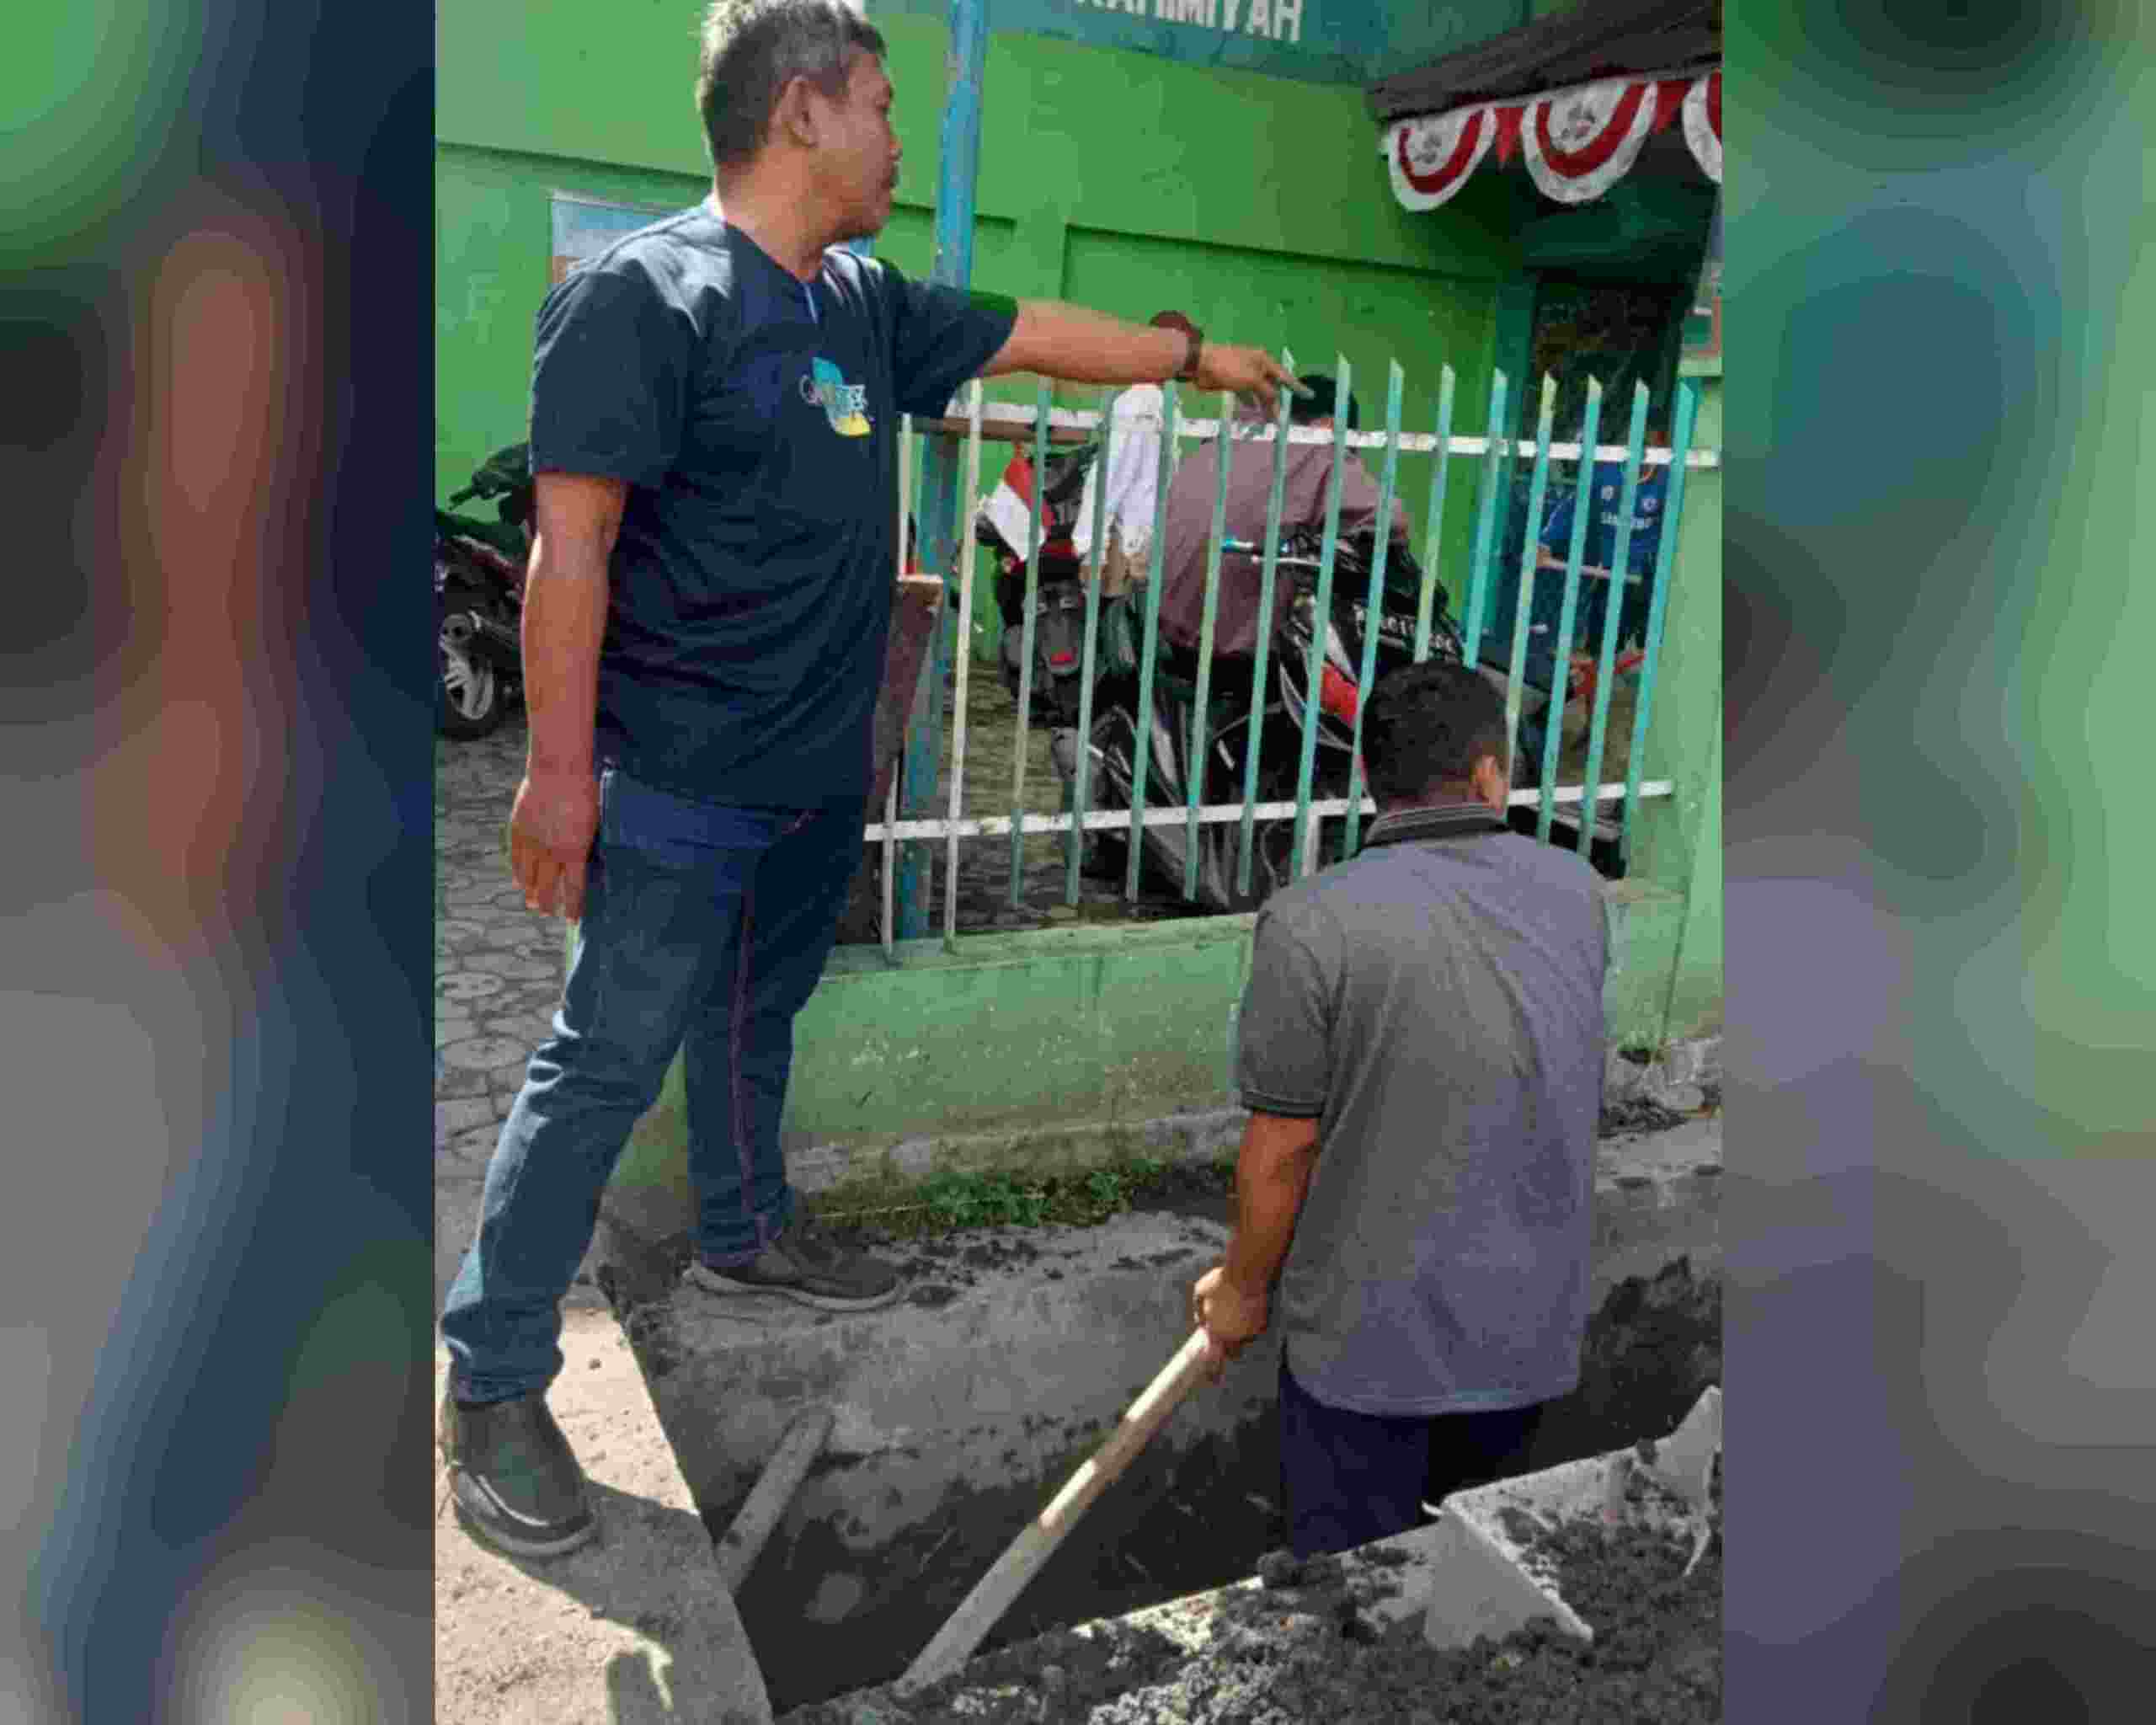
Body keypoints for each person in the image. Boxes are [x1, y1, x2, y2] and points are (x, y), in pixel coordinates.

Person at [437, 0, 1298, 1562]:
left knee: (759, 1016)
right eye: (884, 105)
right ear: (804, 115)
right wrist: (556, 777)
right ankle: (491, 1379)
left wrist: (1188, 353)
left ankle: (746, 1236)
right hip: (679, 778)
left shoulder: (860, 302)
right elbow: (576, 550)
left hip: (813, 777)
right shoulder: (649, 296)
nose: (900, 136)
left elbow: (1034, 332)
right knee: (607, 1056)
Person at [1187, 658, 1609, 1560]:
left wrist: (1241, 1292)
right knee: (1485, 1584)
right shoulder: (1579, 894)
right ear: (1491, 773)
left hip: (1368, 1357)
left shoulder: (1311, 921)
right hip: (1526, 1335)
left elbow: (1282, 1151)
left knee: (1355, 1589)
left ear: (1371, 780)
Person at [1155, 372, 1412, 661]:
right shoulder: (1319, 453)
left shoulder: (1224, 439)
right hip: (1232, 654)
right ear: (1331, 426)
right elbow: (1392, 521)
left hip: (1164, 628)